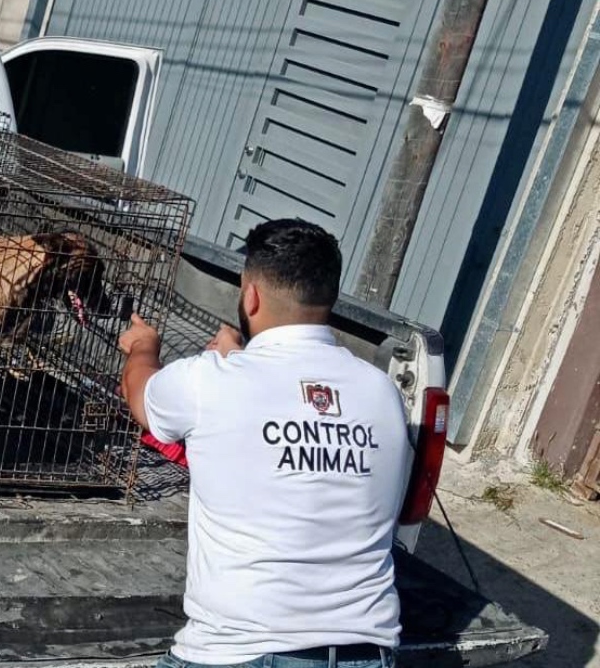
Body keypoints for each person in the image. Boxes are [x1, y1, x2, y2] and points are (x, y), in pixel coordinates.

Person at [119, 219, 409, 668]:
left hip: (238, 652)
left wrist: (144, 346)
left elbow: (141, 397)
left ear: (250, 295)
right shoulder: (382, 393)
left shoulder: (208, 382)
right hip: (366, 653)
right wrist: (237, 358)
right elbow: (290, 403)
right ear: (327, 296)